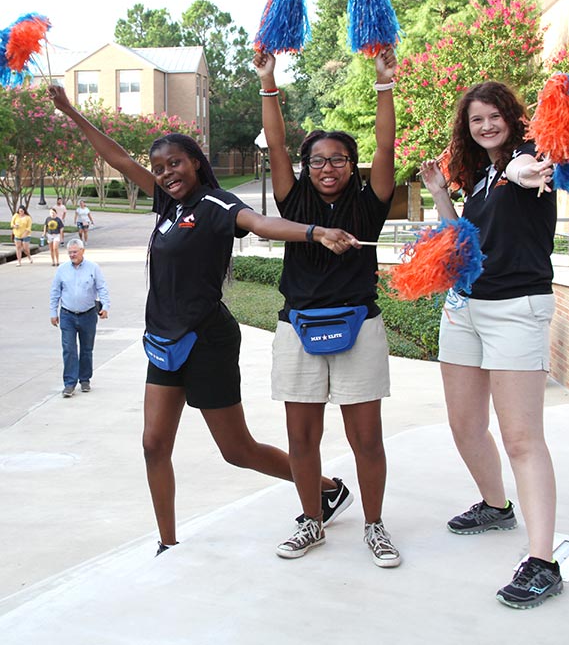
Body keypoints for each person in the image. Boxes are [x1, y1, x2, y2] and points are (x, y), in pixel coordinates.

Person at [49, 84, 360, 557]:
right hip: (162, 341)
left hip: (207, 340)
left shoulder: (215, 205)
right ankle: (168, 543)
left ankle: (325, 487)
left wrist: (314, 232)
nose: (166, 173)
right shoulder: (167, 204)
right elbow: (117, 159)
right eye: (159, 167)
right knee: (154, 444)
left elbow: (260, 223)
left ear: (195, 162)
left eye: (175, 163)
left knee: (237, 451)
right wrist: (69, 110)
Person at [253, 46, 400, 568]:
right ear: (306, 167)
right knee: (301, 436)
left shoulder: (370, 201)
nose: (327, 167)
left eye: (338, 158)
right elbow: (275, 141)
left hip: (359, 326)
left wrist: (385, 85)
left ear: (352, 165)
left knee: (367, 438)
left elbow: (386, 145)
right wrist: (269, 83)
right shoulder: (295, 202)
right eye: (317, 160)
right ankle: (312, 519)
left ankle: (376, 526)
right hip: (299, 328)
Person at [419, 81, 562, 609]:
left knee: (522, 439)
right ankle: (495, 505)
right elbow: (460, 243)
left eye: (493, 116)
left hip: (516, 311)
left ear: (511, 116)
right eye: (475, 120)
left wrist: (523, 169)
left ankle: (543, 561)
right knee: (465, 425)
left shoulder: (531, 160)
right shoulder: (479, 179)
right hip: (464, 308)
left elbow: (531, 171)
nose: (485, 126)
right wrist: (440, 194)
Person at [50, 238, 110, 397]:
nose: (72, 255)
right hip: (67, 315)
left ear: (82, 251)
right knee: (69, 349)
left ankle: (85, 379)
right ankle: (69, 383)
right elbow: (55, 292)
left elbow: (102, 288)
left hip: (88, 315)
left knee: (86, 349)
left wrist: (105, 307)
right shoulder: (62, 270)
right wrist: (53, 313)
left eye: (75, 252)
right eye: (69, 252)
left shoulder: (93, 268)